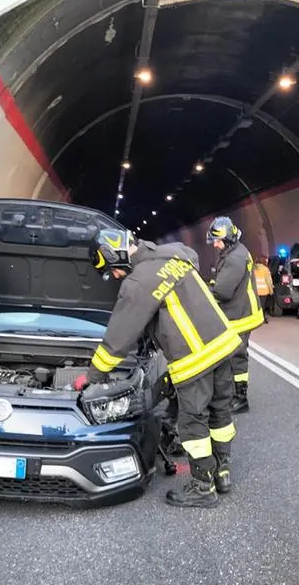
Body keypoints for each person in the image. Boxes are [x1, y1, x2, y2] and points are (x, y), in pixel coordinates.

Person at [73, 230, 241, 508]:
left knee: (192, 421)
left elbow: (119, 337)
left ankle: (203, 487)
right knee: (220, 412)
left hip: (194, 357)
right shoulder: (176, 253)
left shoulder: (139, 282)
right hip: (222, 345)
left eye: (112, 270)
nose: (115, 277)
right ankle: (222, 473)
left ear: (116, 254)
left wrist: (92, 376)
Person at [206, 217, 264, 414]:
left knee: (237, 356)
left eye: (217, 241)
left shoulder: (234, 258)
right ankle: (233, 393)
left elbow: (223, 291)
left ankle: (240, 398)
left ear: (228, 239)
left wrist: (202, 292)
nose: (215, 244)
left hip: (240, 315)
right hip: (239, 311)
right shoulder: (234, 251)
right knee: (233, 355)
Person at [254, 255, 274, 323]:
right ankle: (262, 318)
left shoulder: (252, 268)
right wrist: (271, 290)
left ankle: (255, 319)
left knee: (256, 305)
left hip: (255, 291)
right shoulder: (265, 269)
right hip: (263, 291)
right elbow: (268, 280)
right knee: (262, 306)